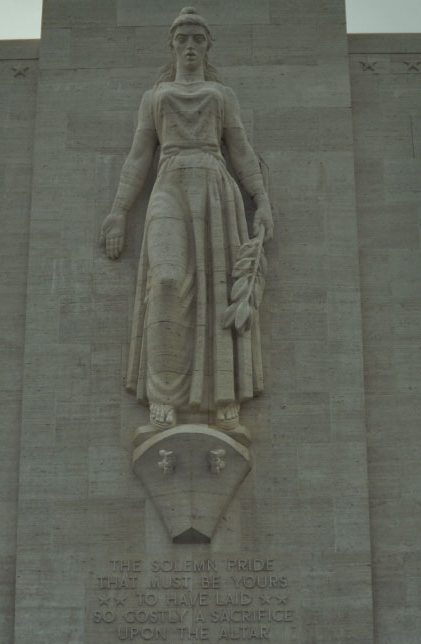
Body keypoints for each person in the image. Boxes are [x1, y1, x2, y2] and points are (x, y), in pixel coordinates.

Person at [101, 7, 273, 432]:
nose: (191, 46)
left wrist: (262, 199)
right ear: (172, 45)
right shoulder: (154, 97)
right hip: (169, 185)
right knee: (165, 283)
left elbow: (242, 150)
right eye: (184, 39)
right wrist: (119, 212)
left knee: (218, 293)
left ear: (207, 45)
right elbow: (140, 155)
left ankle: (225, 404)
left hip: (215, 187)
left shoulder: (222, 94)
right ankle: (162, 399)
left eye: (198, 39)